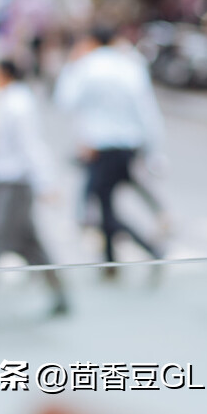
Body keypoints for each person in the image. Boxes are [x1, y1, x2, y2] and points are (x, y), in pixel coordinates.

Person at [0, 59, 68, 321]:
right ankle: (60, 294)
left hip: (14, 185)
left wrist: (46, 182)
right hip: (9, 183)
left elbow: (28, 147)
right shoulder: (11, 101)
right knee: (30, 245)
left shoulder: (16, 104)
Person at [54, 24, 165, 269]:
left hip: (100, 149)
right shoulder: (129, 66)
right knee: (104, 205)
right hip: (127, 147)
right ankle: (110, 261)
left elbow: (65, 101)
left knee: (101, 207)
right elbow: (147, 112)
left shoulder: (86, 66)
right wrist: (154, 151)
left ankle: (149, 249)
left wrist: (72, 63)